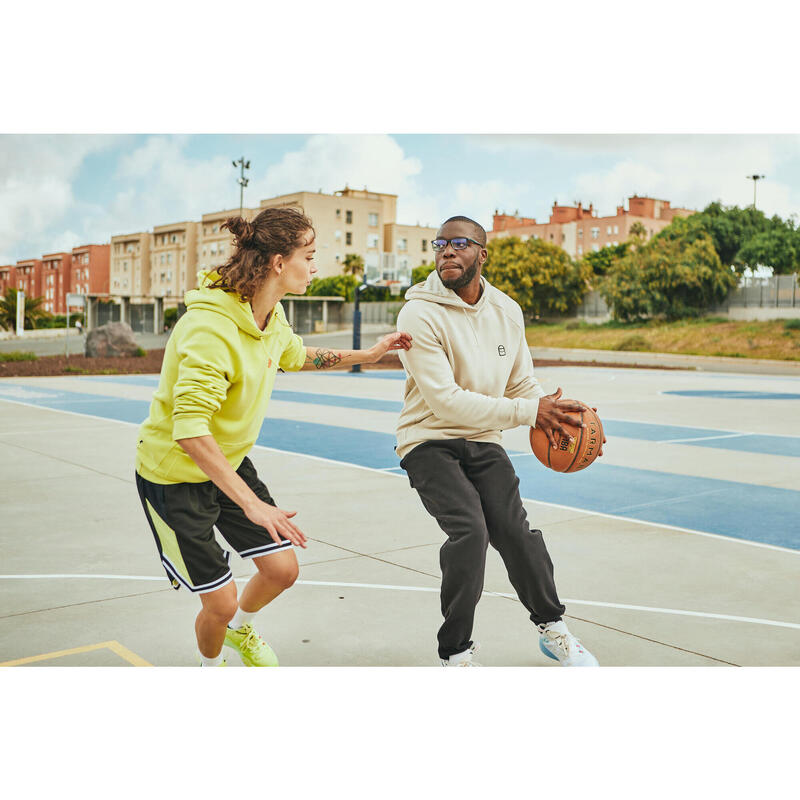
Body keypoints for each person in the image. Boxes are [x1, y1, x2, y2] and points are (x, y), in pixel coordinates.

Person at [135, 206, 412, 666]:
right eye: (310, 254)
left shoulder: (270, 317)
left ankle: (241, 634)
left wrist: (369, 353)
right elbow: (188, 430)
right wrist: (250, 502)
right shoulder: (210, 329)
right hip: (173, 478)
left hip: (227, 462)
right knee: (219, 604)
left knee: (282, 570)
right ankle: (211, 667)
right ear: (279, 263)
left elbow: (298, 354)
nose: (315, 264)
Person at [395, 215, 603, 667]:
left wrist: (561, 423)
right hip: (427, 440)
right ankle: (455, 652)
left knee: (515, 532)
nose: (447, 251)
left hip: (484, 439)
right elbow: (447, 403)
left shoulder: (507, 310)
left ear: (482, 254)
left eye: (460, 243)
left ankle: (553, 628)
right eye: (440, 244)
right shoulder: (417, 312)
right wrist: (531, 411)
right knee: (470, 532)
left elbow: (522, 386)